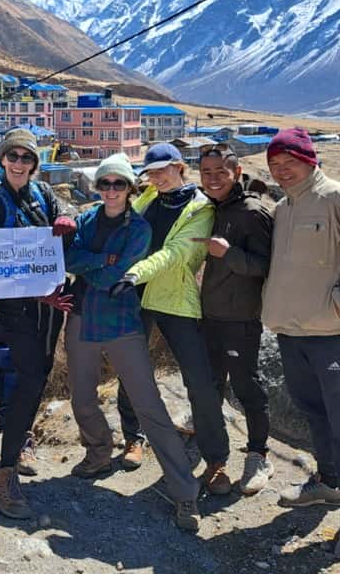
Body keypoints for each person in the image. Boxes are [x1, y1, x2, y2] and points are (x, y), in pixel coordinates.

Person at [262, 127, 340, 564]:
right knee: (314, 414)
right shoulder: (283, 208)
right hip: (292, 334)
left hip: (333, 335)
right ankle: (328, 483)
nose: (282, 171)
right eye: (275, 165)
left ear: (310, 160)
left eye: (289, 163)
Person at [66, 153, 202, 531]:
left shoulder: (139, 227)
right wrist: (101, 259)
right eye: (105, 183)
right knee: (82, 397)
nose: (111, 190)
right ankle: (98, 454)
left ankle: (185, 492)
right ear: (97, 187)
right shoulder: (86, 220)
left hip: (122, 322)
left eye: (119, 183)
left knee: (149, 406)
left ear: (130, 188)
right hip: (81, 318)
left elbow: (114, 275)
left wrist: (91, 263)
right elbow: (69, 258)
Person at [110, 143, 231, 494]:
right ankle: (133, 437)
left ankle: (216, 458)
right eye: (151, 171)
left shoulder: (200, 207)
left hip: (173, 297)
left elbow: (178, 253)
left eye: (163, 169)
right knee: (132, 369)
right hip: (135, 295)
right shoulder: (148, 197)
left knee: (199, 379)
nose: (157, 177)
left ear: (179, 167)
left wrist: (136, 273)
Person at [0, 127, 75, 519]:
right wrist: (34, 293)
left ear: (35, 163)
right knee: (31, 375)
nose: (19, 163)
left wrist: (67, 218)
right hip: (17, 306)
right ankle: (4, 476)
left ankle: (19, 441)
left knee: (41, 372)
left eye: (27, 157)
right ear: (2, 159)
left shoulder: (42, 192)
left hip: (51, 306)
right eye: (13, 156)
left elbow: (63, 214)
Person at [194, 145, 274, 495]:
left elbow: (266, 266)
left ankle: (259, 455)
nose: (213, 179)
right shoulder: (215, 208)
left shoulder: (252, 213)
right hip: (210, 314)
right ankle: (215, 457)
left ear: (237, 173)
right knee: (211, 383)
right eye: (206, 173)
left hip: (240, 319)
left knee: (246, 387)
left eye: (220, 172)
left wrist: (229, 254)